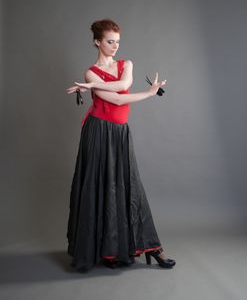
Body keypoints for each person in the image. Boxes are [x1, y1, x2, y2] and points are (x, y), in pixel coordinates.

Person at [66, 18, 176, 271]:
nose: (115, 46)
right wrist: (94, 83)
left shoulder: (126, 64)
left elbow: (124, 86)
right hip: (97, 132)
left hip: (119, 133)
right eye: (109, 41)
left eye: (117, 42)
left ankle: (151, 248)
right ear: (97, 41)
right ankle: (107, 253)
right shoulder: (90, 72)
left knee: (127, 188)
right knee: (99, 188)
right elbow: (115, 99)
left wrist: (93, 87)